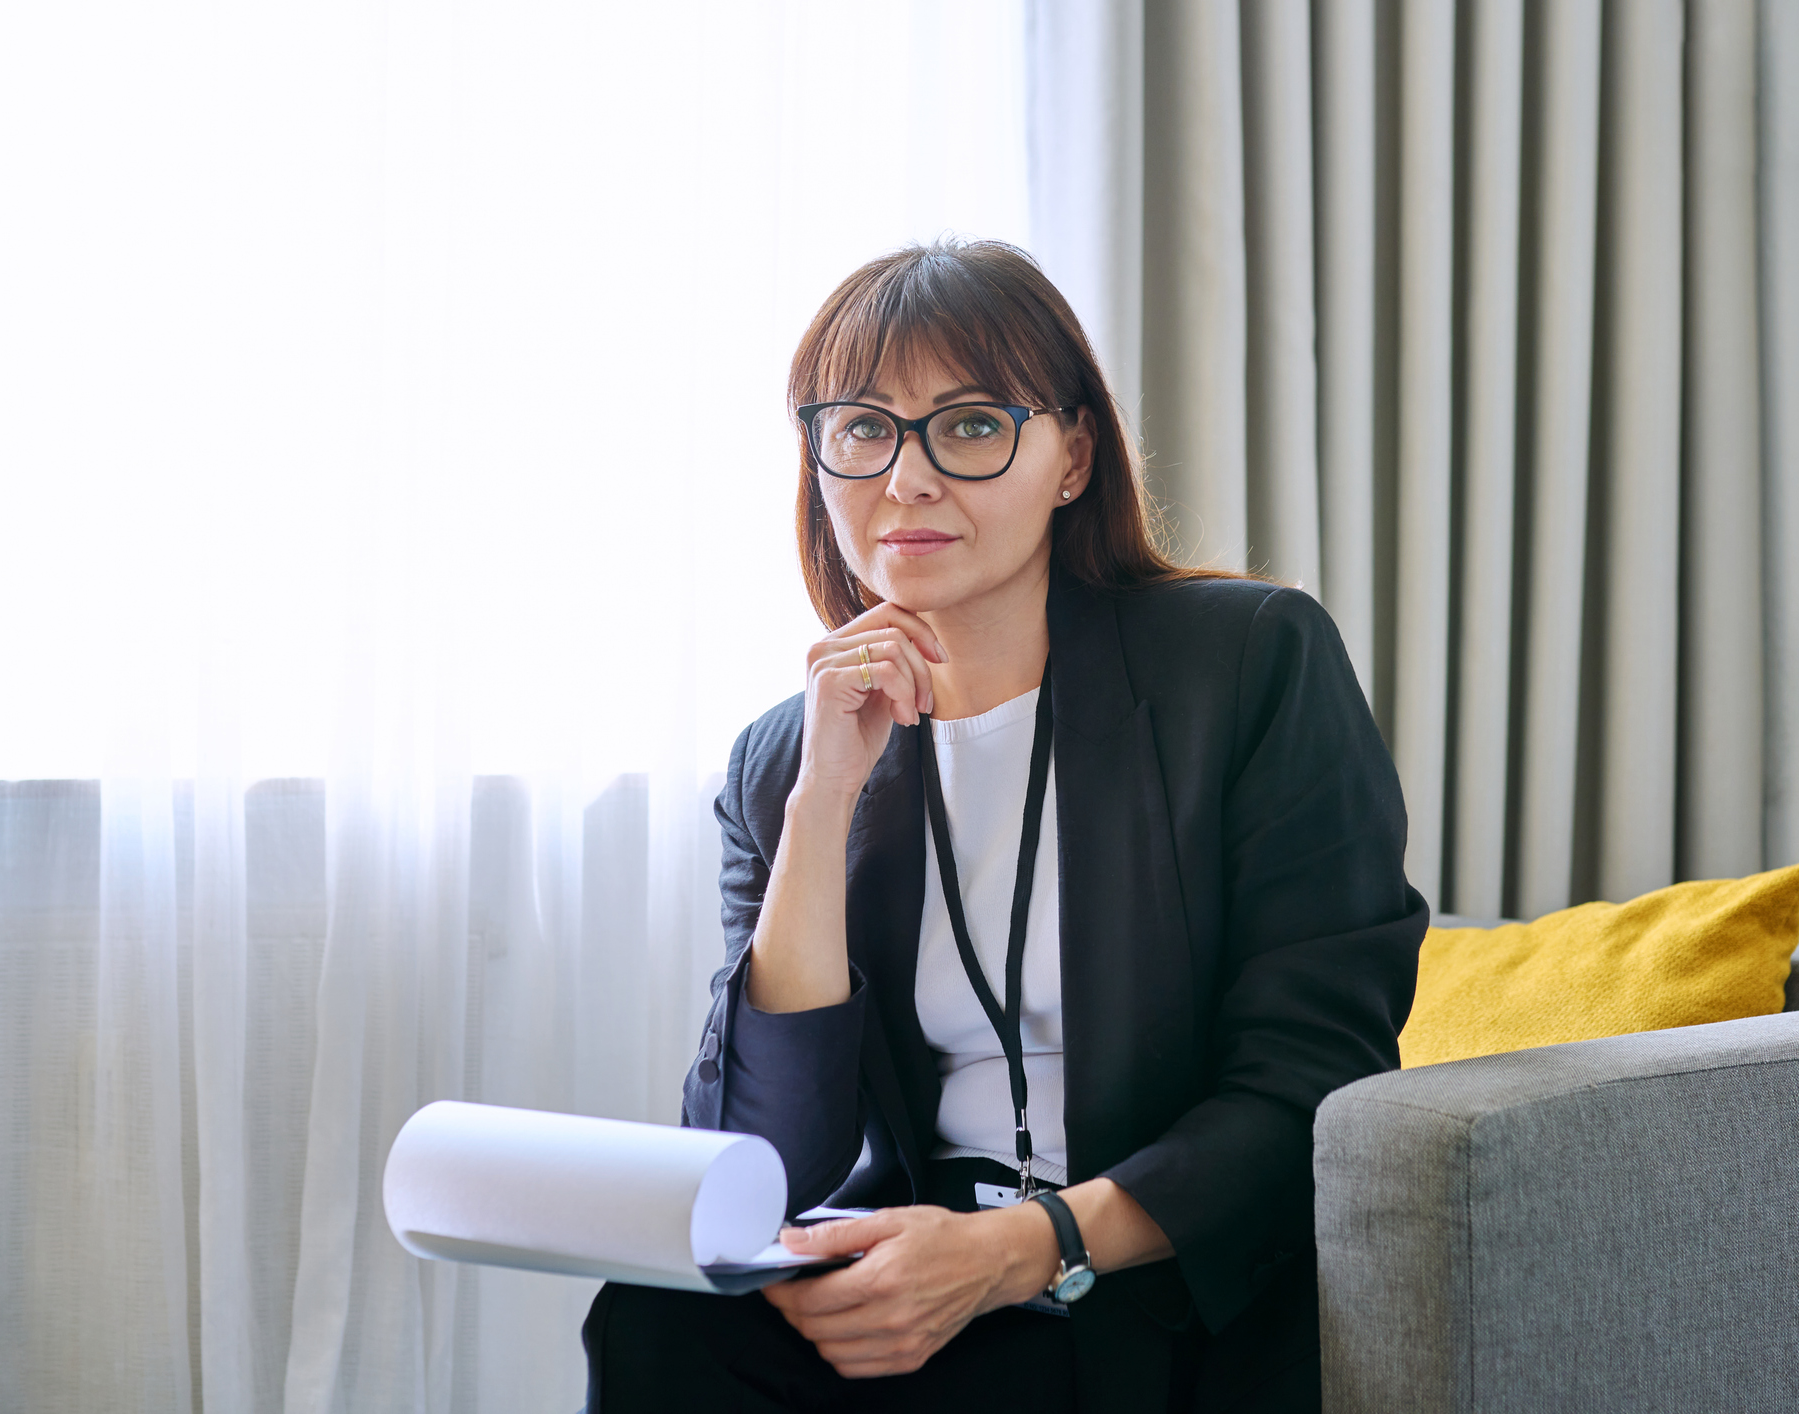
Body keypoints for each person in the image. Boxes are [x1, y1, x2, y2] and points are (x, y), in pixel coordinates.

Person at [583, 238, 1424, 1413]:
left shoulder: (1248, 663)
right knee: (661, 1318)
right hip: (920, 1264)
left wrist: (1025, 1249)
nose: (907, 478)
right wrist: (824, 801)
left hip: (1158, 1279)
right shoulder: (782, 754)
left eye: (970, 425)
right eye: (863, 427)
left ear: (1072, 455)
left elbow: (1313, 1086)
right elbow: (769, 1155)